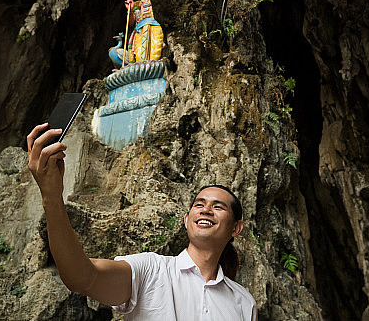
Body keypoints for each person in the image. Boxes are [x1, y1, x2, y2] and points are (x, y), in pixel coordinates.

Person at [27, 123, 257, 320]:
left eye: (218, 206)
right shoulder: (151, 270)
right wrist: (52, 197)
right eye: (199, 204)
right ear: (187, 220)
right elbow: (83, 278)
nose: (206, 210)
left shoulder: (244, 304)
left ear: (236, 228)